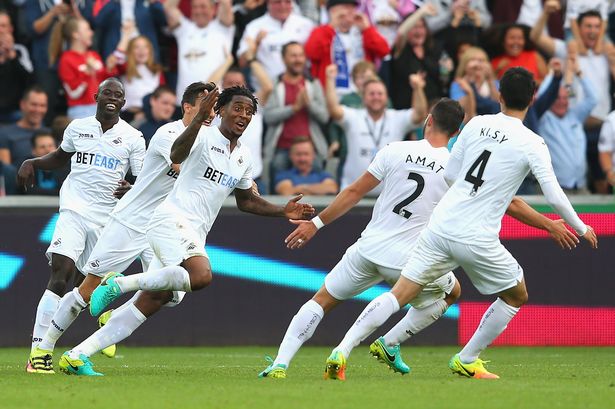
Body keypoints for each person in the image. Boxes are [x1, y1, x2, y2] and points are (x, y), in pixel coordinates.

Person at [319, 67, 598, 381]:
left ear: (499, 95)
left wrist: (470, 191)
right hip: (476, 236)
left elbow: (451, 174)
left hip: (440, 227)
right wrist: (580, 226)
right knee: (516, 294)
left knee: (401, 293)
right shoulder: (533, 142)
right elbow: (555, 195)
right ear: (533, 99)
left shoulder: (477, 123)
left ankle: (352, 348)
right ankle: (467, 358)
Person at [58, 86, 315, 376]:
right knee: (201, 276)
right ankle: (120, 284)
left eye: (249, 111)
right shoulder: (203, 136)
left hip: (193, 231)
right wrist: (197, 120)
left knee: (159, 298)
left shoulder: (243, 157)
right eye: (237, 108)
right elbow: (176, 152)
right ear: (220, 111)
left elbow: (246, 201)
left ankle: (76, 355)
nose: (243, 115)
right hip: (170, 220)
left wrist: (283, 211)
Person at [261, 98, 466, 379]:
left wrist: (316, 224)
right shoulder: (455, 168)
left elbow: (354, 192)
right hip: (408, 258)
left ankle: (280, 364)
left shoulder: (395, 150)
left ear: (428, 120)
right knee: (450, 291)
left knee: (321, 300)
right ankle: (361, 347)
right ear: (456, 133)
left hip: (367, 248)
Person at [32, 82, 217, 368]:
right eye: (204, 105)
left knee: (173, 293)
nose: (210, 112)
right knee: (86, 291)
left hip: (164, 224)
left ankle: (115, 299)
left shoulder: (211, 141)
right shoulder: (168, 133)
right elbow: (183, 165)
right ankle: (42, 351)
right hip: (131, 220)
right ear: (188, 107)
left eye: (214, 108)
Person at [21, 78, 146, 374]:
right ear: (96, 96)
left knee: (87, 289)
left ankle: (106, 315)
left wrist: (130, 187)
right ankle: (38, 352)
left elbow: (143, 181)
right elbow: (60, 158)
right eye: (107, 93)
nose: (112, 98)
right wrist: (33, 162)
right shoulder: (78, 127)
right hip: (74, 211)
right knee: (61, 273)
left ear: (123, 103)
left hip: (107, 220)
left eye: (118, 95)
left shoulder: (133, 137)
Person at [531, 5, 613, 192]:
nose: (592, 30)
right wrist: (545, 12)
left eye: (596, 26)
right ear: (577, 28)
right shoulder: (565, 49)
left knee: (603, 184)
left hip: (602, 127)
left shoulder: (607, 52)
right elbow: (535, 38)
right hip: (572, 125)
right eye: (588, 26)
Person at [324, 64, 427, 195]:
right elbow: (334, 109)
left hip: (387, 196)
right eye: (371, 94)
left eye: (380, 94)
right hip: (352, 195)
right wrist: (329, 79)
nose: (376, 97)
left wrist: (417, 88)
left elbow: (419, 115)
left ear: (386, 97)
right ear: (363, 97)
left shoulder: (396, 118)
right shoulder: (354, 116)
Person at [263, 41, 329, 185]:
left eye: (300, 55)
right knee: (277, 175)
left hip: (310, 151)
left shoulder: (313, 83)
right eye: (293, 56)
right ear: (284, 59)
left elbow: (324, 117)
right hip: (281, 149)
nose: (298, 60)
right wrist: (294, 108)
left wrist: (309, 104)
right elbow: (268, 117)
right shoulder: (275, 83)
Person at [539, 53, 597, 194]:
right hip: (555, 190)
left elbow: (593, 99)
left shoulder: (575, 115)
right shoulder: (543, 117)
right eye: (557, 98)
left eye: (565, 98)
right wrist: (552, 73)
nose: (562, 101)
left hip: (580, 186)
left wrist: (578, 72)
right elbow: (541, 96)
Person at [305, 0, 389, 96]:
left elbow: (384, 51)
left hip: (363, 93)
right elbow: (312, 53)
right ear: (332, 11)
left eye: (352, 8)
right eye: (345, 8)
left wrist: (367, 29)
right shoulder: (322, 31)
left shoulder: (363, 32)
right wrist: (331, 26)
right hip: (333, 94)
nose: (349, 13)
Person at [164, 0, 234, 106]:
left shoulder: (222, 28)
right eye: (195, 7)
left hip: (213, 100)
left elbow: (225, 2)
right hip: (185, 102)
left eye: (203, 6)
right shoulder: (184, 29)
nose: (198, 11)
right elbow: (168, 7)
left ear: (213, 9)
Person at [50, 17, 117, 119]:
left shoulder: (93, 55)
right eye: (87, 29)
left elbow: (104, 82)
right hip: (81, 111)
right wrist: (87, 73)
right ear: (75, 34)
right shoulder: (66, 59)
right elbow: (73, 93)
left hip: (102, 108)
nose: (91, 33)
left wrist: (110, 68)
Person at [237, 0, 315, 87]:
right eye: (277, 2)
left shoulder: (307, 25)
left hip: (299, 88)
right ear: (268, 3)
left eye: (287, 2)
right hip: (265, 91)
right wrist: (256, 44)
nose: (283, 6)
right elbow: (242, 62)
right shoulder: (254, 26)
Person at [106, 24, 166, 122]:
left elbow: (162, 94)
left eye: (145, 47)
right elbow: (114, 60)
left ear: (150, 51)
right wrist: (126, 36)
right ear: (130, 52)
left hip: (151, 116)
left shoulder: (156, 70)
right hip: (128, 116)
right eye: (136, 47)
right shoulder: (126, 68)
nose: (141, 50)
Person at [0, 86, 49, 168]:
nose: (38, 110)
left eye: (42, 105)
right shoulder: (4, 133)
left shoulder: (50, 134)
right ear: (22, 104)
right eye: (34, 105)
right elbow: (5, 173)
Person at [274, 137, 338, 195]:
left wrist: (302, 188)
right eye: (298, 154)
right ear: (290, 156)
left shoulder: (323, 175)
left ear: (313, 155)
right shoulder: (283, 175)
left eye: (306, 154)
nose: (302, 159)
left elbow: (333, 188)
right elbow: (286, 191)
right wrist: (319, 189)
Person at [21, 131, 68, 196]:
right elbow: (29, 191)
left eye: (50, 146)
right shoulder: (26, 167)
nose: (47, 150)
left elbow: (67, 192)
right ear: (33, 151)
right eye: (42, 147)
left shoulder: (67, 166)